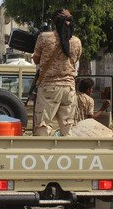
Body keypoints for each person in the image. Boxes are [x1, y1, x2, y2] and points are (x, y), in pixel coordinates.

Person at [32, 8, 82, 136]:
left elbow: (36, 60)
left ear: (54, 22)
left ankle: (43, 154)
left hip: (49, 87)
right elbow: (74, 60)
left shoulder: (44, 37)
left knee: (43, 125)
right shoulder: (76, 41)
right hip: (69, 89)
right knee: (68, 127)